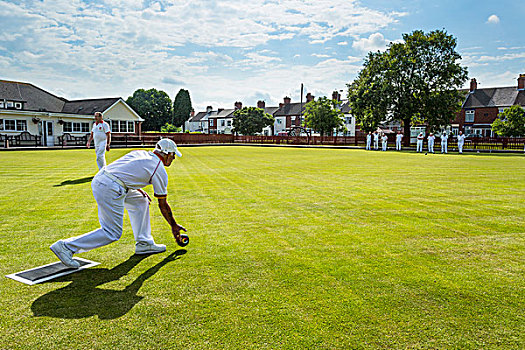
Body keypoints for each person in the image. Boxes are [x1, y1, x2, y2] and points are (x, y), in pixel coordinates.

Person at [50, 139, 186, 268]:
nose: (174, 158)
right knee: (112, 232)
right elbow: (163, 205)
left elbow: (124, 171)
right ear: (167, 154)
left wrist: (136, 189)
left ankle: (144, 243)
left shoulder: (141, 153)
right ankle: (66, 246)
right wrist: (174, 226)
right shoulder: (159, 169)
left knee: (141, 200)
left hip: (104, 178)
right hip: (110, 187)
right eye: (173, 155)